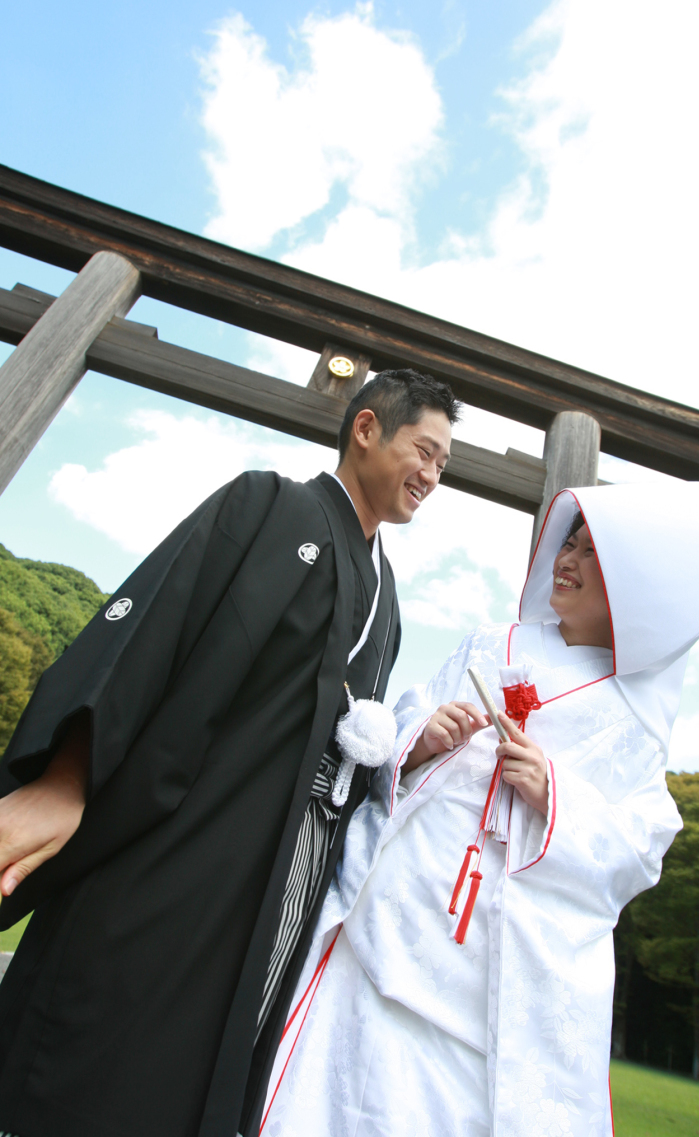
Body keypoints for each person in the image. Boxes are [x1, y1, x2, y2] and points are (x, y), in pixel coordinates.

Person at [0, 367, 460, 1137]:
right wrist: (68, 774)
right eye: (425, 449)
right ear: (367, 428)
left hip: (290, 871)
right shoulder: (271, 508)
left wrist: (404, 757)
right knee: (115, 1053)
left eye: (445, 464)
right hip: (191, 843)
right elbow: (154, 631)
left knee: (219, 1064)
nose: (433, 474)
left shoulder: (389, 603)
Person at [262, 479, 699, 1137]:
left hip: (495, 972)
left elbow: (641, 844)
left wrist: (557, 796)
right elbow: (409, 712)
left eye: (591, 555)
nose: (566, 560)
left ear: (634, 595)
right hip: (400, 910)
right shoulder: (492, 643)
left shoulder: (633, 720)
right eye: (569, 542)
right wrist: (422, 738)